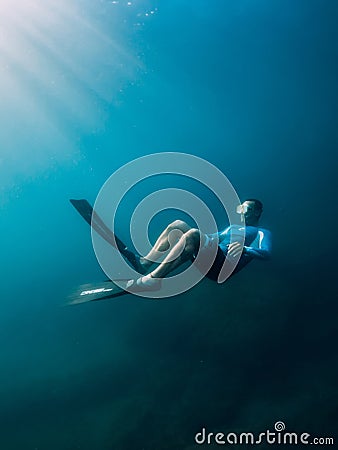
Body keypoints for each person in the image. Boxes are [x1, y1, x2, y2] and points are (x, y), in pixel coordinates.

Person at [127, 199, 272, 291]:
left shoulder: (261, 232)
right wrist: (194, 237)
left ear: (257, 212)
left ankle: (153, 279)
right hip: (213, 258)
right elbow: (213, 239)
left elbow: (266, 253)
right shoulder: (232, 227)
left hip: (222, 267)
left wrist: (245, 249)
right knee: (177, 225)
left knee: (193, 234)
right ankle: (144, 263)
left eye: (245, 209)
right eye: (239, 208)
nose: (241, 212)